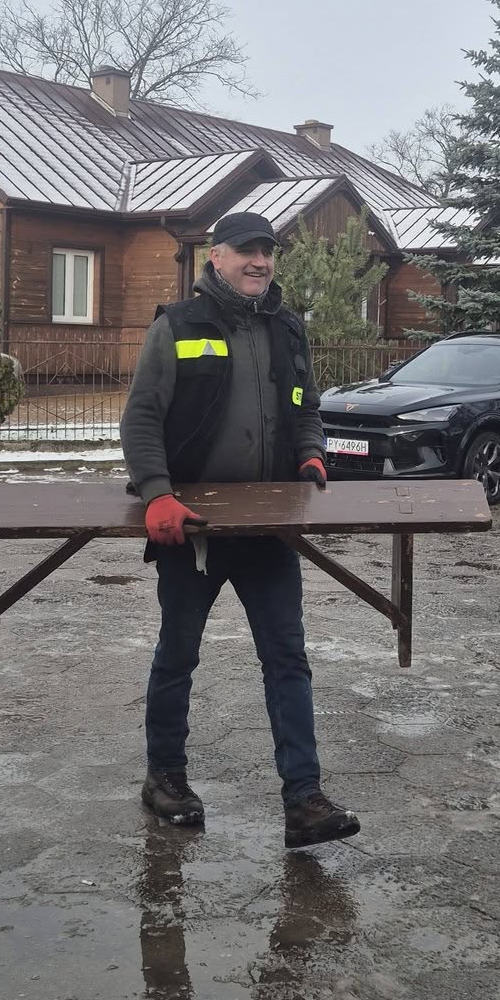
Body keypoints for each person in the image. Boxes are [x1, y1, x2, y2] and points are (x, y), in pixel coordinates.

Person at [120, 210, 361, 850]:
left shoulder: (287, 327)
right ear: (216, 256)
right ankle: (164, 778)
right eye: (246, 250)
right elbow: (141, 420)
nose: (260, 261)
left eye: (267, 251)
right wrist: (157, 493)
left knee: (287, 658)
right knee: (178, 655)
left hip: (268, 530)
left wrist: (311, 455)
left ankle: (304, 799)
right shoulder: (178, 326)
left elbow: (306, 408)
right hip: (192, 530)